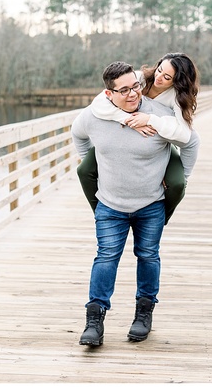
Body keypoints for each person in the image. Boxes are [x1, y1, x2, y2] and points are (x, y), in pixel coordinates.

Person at [72, 62, 200, 346]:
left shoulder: (161, 115)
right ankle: (95, 319)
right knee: (106, 257)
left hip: (150, 204)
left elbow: (191, 142)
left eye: (136, 86)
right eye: (124, 90)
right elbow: (77, 134)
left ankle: (144, 313)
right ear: (109, 94)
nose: (133, 94)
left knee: (148, 255)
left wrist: (183, 176)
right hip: (110, 204)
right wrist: (88, 159)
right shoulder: (95, 116)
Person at [78, 52, 200, 223]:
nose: (159, 78)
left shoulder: (177, 97)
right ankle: (100, 212)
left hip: (157, 140)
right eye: (159, 70)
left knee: (178, 184)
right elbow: (99, 103)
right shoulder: (139, 78)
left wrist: (151, 120)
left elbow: (186, 135)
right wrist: (126, 120)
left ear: (177, 81)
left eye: (167, 77)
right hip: (122, 133)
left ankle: (160, 218)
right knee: (83, 170)